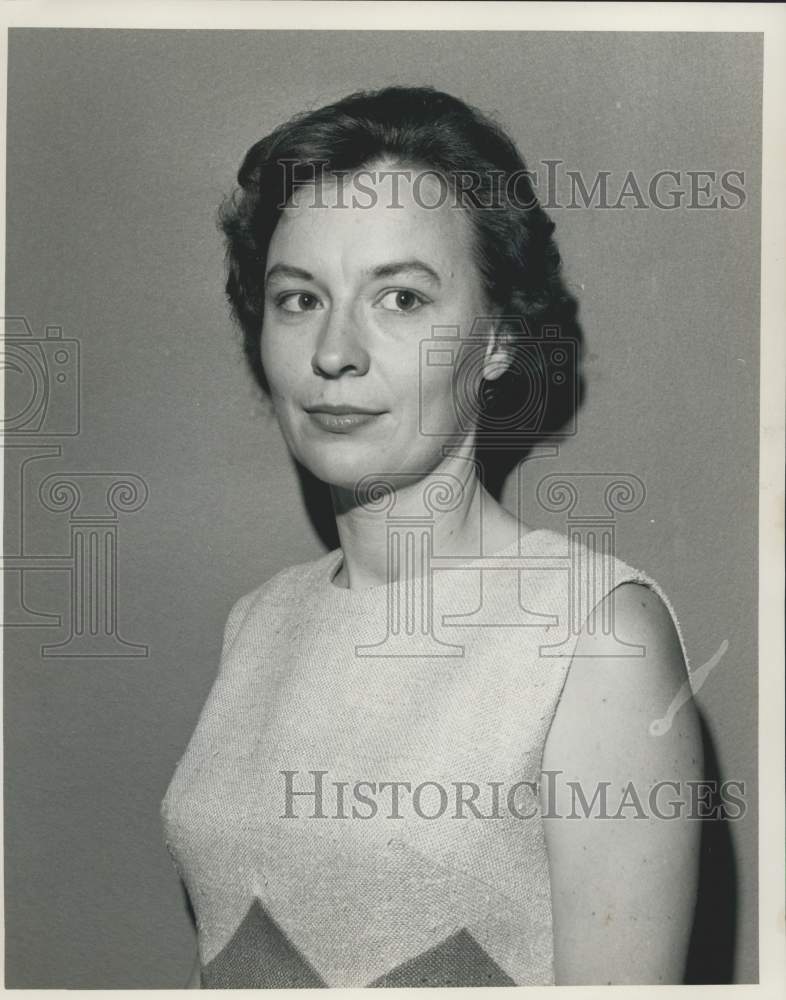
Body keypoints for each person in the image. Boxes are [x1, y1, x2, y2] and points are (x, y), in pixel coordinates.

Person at [160, 86, 702, 988]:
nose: (335, 351)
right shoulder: (259, 622)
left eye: (401, 298)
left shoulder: (595, 636)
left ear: (495, 337)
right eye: (298, 299)